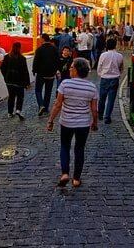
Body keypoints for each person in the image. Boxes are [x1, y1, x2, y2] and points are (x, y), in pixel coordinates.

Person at [47, 58, 98, 188]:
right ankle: (76, 179)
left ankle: (65, 173)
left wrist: (50, 120)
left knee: (65, 146)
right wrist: (95, 123)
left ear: (76, 70)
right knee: (79, 149)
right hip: (83, 124)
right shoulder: (92, 87)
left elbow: (58, 105)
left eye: (71, 67)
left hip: (66, 122)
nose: (69, 69)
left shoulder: (65, 84)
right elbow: (94, 109)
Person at [0, 41, 31, 120]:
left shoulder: (7, 57)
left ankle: (10, 112)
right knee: (20, 96)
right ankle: (18, 110)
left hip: (9, 81)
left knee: (11, 96)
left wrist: (5, 76)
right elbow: (25, 71)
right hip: (19, 81)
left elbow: (2, 67)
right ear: (20, 48)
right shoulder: (22, 58)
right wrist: (27, 82)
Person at [96, 38, 124, 124]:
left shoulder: (103, 55)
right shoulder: (119, 56)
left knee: (102, 98)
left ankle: (100, 114)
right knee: (111, 100)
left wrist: (101, 74)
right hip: (114, 78)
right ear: (115, 45)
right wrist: (118, 74)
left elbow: (99, 67)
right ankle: (107, 117)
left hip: (104, 78)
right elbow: (121, 68)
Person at [32, 33, 60, 116]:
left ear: (43, 39)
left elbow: (36, 61)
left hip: (41, 73)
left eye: (41, 38)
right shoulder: (54, 49)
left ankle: (41, 105)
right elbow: (57, 61)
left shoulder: (39, 49)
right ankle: (46, 107)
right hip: (51, 74)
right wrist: (56, 70)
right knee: (48, 91)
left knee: (38, 90)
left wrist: (34, 70)